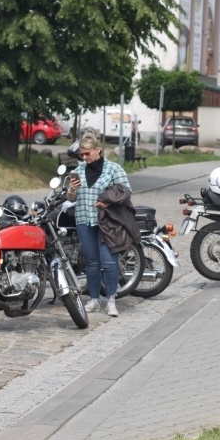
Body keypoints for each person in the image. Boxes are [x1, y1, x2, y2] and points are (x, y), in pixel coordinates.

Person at [66, 134, 136, 317]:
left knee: (109, 262)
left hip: (108, 221)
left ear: (97, 150)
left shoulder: (113, 169)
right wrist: (72, 189)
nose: (84, 158)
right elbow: (71, 198)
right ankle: (94, 299)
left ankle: (111, 300)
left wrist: (108, 202)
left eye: (87, 153)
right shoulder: (79, 171)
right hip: (83, 219)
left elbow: (126, 191)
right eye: (82, 154)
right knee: (91, 263)